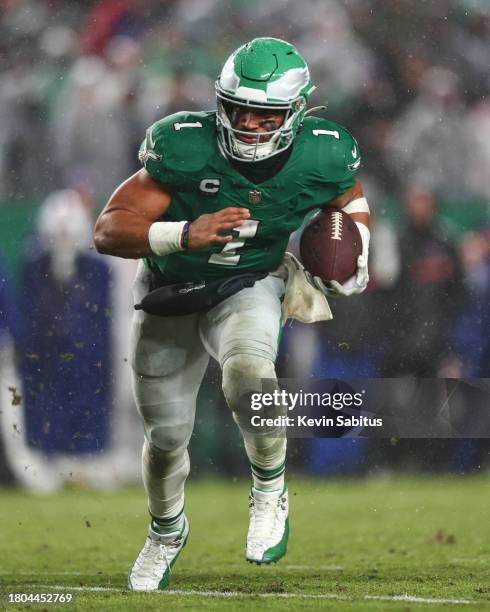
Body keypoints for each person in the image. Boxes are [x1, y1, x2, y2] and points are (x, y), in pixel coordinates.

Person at [94, 37, 370, 591]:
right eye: (237, 106)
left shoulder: (324, 151)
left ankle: (270, 489)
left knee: (250, 375)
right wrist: (181, 233)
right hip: (170, 292)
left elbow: (349, 202)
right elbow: (108, 229)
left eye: (262, 113)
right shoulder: (185, 144)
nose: (246, 122)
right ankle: (166, 532)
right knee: (167, 436)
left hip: (251, 284)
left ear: (293, 113)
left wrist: (357, 254)